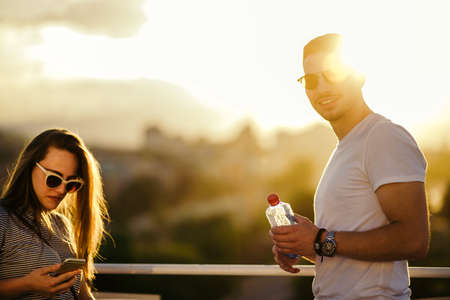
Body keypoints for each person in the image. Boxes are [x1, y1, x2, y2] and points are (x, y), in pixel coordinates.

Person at [270, 33, 429, 299]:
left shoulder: (382, 136)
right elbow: (339, 247)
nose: (322, 88)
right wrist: (307, 243)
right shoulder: (347, 146)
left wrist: (319, 238)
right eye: (311, 80)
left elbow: (413, 240)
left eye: (333, 73)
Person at [0, 128, 110, 299]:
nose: (61, 190)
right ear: (30, 168)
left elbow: (82, 294)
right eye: (54, 179)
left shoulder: (62, 225)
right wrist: (27, 284)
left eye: (71, 183)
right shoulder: (3, 218)